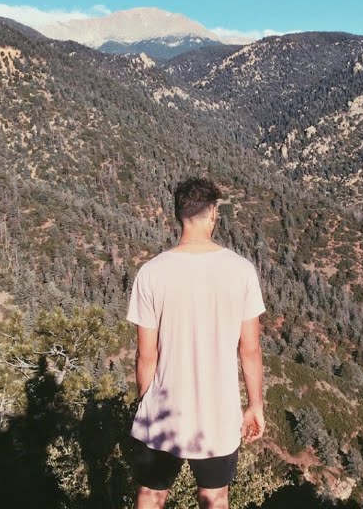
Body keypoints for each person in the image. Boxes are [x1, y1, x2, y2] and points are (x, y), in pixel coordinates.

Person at [125, 177, 266, 509]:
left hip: (163, 411)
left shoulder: (151, 272)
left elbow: (146, 355)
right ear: (213, 213)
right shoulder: (241, 271)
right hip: (218, 416)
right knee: (214, 498)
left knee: (151, 495)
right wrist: (255, 404)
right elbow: (250, 349)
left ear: (178, 215)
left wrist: (146, 403)